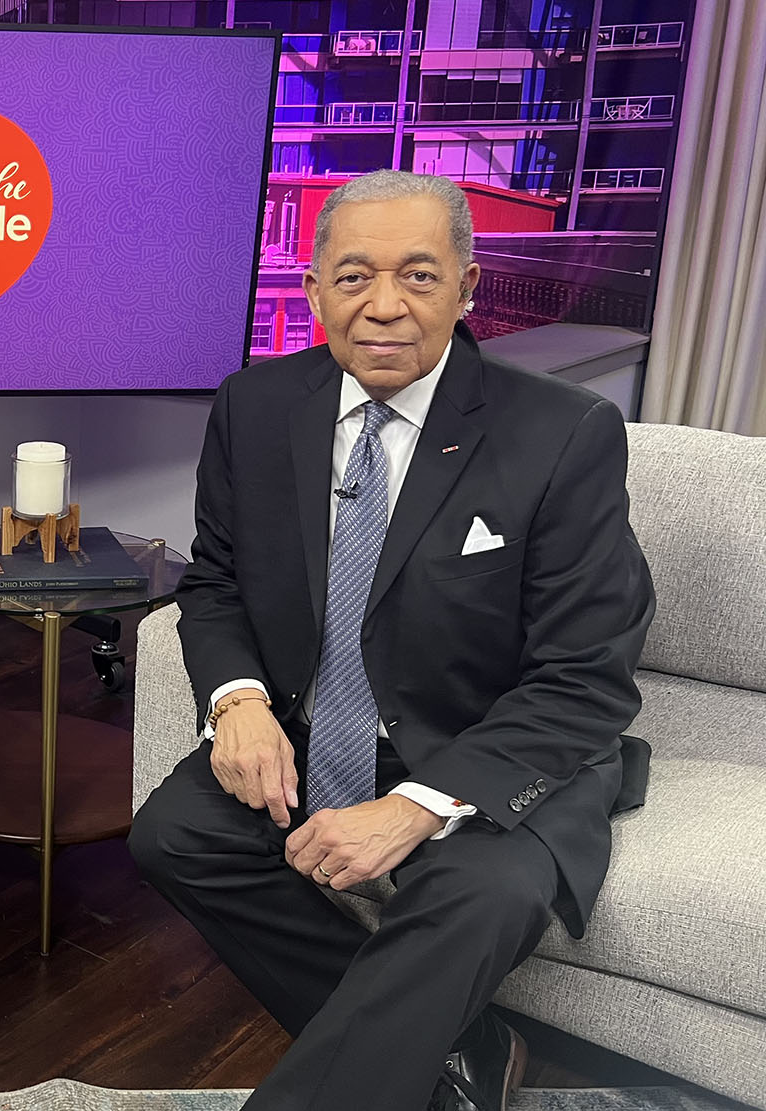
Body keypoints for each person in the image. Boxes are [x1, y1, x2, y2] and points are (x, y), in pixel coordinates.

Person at [128, 170, 654, 1111]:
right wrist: (237, 699)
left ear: (467, 287)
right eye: (354, 276)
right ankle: (462, 1050)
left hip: (487, 749)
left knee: (481, 892)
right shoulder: (255, 405)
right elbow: (214, 582)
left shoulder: (564, 432)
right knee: (176, 833)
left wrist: (415, 804)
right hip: (317, 734)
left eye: (418, 275)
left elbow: (586, 677)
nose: (384, 305)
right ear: (314, 290)